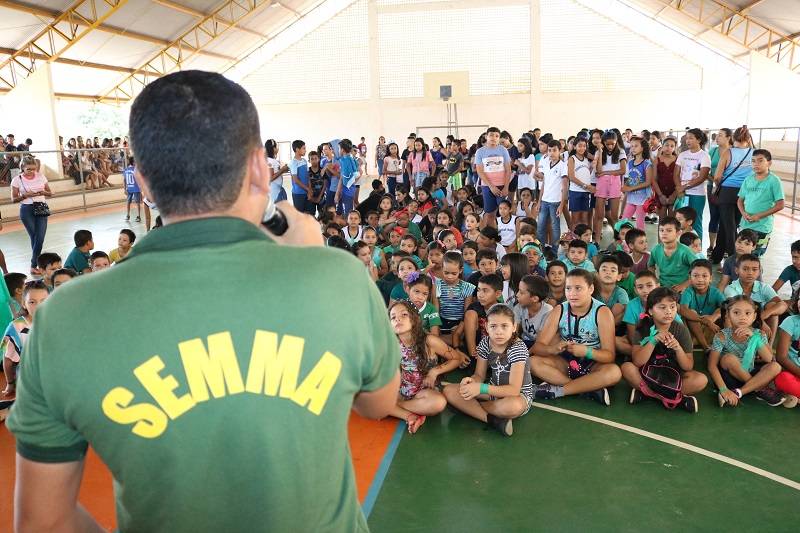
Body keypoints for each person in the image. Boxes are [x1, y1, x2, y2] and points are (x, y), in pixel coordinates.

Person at [6, 71, 400, 533]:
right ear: (258, 168)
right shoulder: (341, 279)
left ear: (145, 183)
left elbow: (42, 523)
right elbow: (378, 403)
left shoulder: (62, 317)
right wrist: (314, 260)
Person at [531, 269, 621, 405]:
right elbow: (538, 346)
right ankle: (587, 388)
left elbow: (609, 356)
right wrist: (553, 349)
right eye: (568, 288)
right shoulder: (559, 310)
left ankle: (558, 390)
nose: (572, 293)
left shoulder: (602, 312)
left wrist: (587, 351)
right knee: (532, 362)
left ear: (591, 289)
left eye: (578, 288)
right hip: (565, 363)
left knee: (614, 372)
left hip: (592, 365)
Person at [444, 303, 534, 437]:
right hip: (494, 389)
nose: (499, 331)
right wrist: (471, 381)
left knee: (514, 406)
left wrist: (480, 388)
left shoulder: (518, 348)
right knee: (449, 390)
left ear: (514, 327)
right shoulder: (486, 342)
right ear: (486, 327)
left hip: (518, 395)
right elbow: (479, 375)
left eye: (504, 326)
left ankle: (468, 408)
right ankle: (492, 419)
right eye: (493, 326)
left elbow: (514, 390)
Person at [623, 287, 707, 413]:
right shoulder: (643, 328)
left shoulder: (680, 330)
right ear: (650, 310)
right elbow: (637, 362)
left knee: (701, 380)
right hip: (648, 373)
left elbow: (688, 366)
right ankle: (676, 399)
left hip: (672, 376)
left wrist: (678, 348)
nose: (668, 311)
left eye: (672, 307)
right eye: (662, 307)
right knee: (627, 368)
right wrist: (653, 341)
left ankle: (646, 394)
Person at [387, 300, 461, 433]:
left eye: (404, 315)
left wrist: (434, 372)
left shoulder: (429, 340)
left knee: (439, 403)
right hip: (403, 390)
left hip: (425, 392)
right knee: (366, 400)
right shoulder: (393, 343)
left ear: (414, 319)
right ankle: (411, 416)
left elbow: (456, 358)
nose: (397, 319)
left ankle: (395, 408)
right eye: (393, 317)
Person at [708, 296, 786, 407]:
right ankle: (760, 389)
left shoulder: (759, 334)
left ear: (754, 316)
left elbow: (769, 359)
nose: (742, 317)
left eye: (747, 313)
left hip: (751, 373)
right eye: (736, 313)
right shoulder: (721, 336)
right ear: (728, 315)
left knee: (776, 367)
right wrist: (723, 389)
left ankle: (740, 392)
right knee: (728, 358)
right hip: (729, 379)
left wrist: (754, 338)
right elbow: (712, 366)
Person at [723, 254, 787, 346]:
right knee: (728, 315)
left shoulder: (763, 287)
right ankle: (735, 347)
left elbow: (783, 305)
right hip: (740, 321)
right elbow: (735, 311)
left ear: (759, 271)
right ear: (737, 270)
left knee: (772, 307)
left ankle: (768, 346)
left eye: (754, 269)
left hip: (758, 321)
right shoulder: (731, 288)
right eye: (745, 269)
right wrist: (760, 322)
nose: (750, 273)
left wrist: (763, 316)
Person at [710, 126, 752, 264]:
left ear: (733, 138)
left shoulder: (729, 152)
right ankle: (717, 255)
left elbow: (717, 176)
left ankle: (736, 258)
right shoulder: (754, 152)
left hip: (727, 192)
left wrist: (718, 184)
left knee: (729, 226)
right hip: (745, 193)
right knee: (728, 224)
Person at [2, 280, 49, 397]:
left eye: (44, 301)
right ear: (24, 304)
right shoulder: (16, 327)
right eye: (32, 302)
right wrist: (10, 383)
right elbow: (7, 359)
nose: (39, 306)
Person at [737, 149, 784, 257]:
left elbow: (780, 204)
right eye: (753, 161)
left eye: (760, 161)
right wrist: (743, 213)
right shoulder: (748, 179)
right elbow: (740, 200)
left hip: (762, 227)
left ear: (769, 163)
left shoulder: (774, 180)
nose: (756, 164)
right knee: (742, 255)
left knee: (755, 256)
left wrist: (759, 215)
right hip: (745, 225)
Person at [10, 156, 52, 275]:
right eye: (29, 169)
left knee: (40, 237)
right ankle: (35, 265)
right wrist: (25, 196)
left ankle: (34, 264)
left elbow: (50, 193)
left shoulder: (41, 176)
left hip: (41, 207)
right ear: (22, 167)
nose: (32, 172)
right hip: (26, 209)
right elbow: (13, 199)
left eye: (34, 169)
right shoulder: (17, 179)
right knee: (34, 236)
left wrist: (44, 192)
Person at [673, 128, 710, 242]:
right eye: (687, 138)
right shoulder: (682, 155)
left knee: (696, 222)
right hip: (682, 194)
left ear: (698, 140)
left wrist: (683, 187)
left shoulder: (704, 156)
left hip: (697, 195)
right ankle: (680, 246)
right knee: (680, 222)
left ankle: (696, 250)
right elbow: (676, 174)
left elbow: (702, 177)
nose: (687, 141)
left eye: (691, 138)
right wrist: (679, 189)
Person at [679, 259, 724, 352]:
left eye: (704, 276)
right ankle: (705, 347)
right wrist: (705, 321)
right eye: (695, 276)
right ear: (690, 278)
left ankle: (697, 342)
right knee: (691, 313)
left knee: (721, 310)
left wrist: (714, 316)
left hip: (710, 328)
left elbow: (727, 306)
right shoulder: (688, 292)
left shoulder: (715, 292)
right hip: (693, 329)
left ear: (711, 278)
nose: (700, 280)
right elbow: (683, 310)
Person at [474, 127, 512, 228]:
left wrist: (506, 187)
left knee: (504, 213)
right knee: (490, 213)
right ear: (486, 136)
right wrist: (491, 186)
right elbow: (480, 171)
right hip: (487, 187)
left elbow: (508, 169)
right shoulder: (480, 152)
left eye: (497, 136)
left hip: (502, 186)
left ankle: (505, 236)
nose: (494, 138)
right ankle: (493, 235)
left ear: (499, 138)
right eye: (491, 135)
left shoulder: (503, 150)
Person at [592, 131, 626, 240]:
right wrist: (601, 151)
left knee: (614, 216)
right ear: (603, 143)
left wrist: (606, 173)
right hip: (601, 182)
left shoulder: (621, 152)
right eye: (607, 144)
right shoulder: (599, 152)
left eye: (613, 143)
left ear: (616, 142)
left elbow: (622, 170)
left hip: (615, 183)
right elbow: (599, 170)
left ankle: (618, 241)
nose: (610, 146)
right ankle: (597, 241)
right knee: (599, 215)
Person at [648, 216, 694, 292]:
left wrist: (684, 285)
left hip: (682, 288)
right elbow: (650, 265)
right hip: (662, 286)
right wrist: (655, 280)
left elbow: (699, 269)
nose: (664, 233)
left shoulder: (685, 251)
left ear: (678, 233)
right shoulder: (656, 249)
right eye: (661, 230)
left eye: (669, 230)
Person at [535, 140, 568, 246]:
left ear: (560, 151)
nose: (552, 153)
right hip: (544, 201)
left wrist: (561, 205)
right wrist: (539, 201)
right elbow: (544, 184)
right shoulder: (546, 164)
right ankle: (541, 251)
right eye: (549, 150)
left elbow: (564, 187)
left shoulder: (563, 166)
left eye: (554, 150)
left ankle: (554, 252)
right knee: (540, 227)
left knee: (555, 228)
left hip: (555, 202)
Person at [514, 275, 553, 352]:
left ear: (535, 298)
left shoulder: (548, 312)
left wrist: (525, 356)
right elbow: (514, 332)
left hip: (539, 345)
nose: (517, 295)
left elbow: (539, 343)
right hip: (522, 342)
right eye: (518, 291)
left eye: (521, 293)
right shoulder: (519, 307)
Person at [621, 137, 653, 230]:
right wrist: (625, 186)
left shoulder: (647, 164)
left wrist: (630, 188)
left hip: (642, 199)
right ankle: (624, 243)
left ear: (642, 148)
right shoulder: (630, 162)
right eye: (631, 146)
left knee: (639, 224)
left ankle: (641, 243)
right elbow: (630, 178)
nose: (633, 148)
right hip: (631, 198)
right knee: (623, 221)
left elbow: (648, 182)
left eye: (636, 146)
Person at [652, 136, 678, 220]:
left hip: (674, 192)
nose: (668, 148)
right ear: (662, 146)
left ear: (674, 148)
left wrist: (674, 195)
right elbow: (654, 179)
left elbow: (680, 179)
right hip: (660, 192)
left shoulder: (678, 159)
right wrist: (660, 195)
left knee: (672, 221)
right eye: (666, 145)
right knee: (662, 221)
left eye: (672, 146)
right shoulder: (657, 160)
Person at [289, 140, 311, 215]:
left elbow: (308, 176)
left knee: (307, 214)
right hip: (298, 193)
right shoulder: (293, 162)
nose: (305, 150)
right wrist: (308, 189)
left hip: (306, 192)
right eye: (303, 148)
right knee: (299, 215)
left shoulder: (304, 161)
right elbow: (295, 180)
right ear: (297, 150)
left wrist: (309, 190)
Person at [123, 157, 142, 222]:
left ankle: (128, 215)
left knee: (128, 202)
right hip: (136, 188)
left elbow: (124, 180)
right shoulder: (136, 169)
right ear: (133, 162)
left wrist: (124, 189)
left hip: (129, 188)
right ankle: (138, 216)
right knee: (138, 203)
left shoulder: (126, 169)